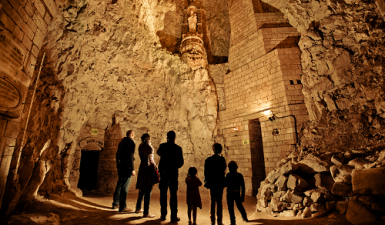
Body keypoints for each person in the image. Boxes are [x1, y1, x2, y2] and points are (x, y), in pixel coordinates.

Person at [157, 131, 184, 222]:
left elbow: (158, 153)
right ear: (175, 138)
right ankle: (173, 216)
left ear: (167, 137)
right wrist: (175, 166)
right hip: (173, 174)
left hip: (164, 173)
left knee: (163, 194)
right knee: (173, 195)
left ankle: (163, 215)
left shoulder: (163, 146)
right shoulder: (178, 148)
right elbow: (181, 163)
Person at [135, 133, 159, 218]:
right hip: (148, 170)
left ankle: (138, 208)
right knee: (148, 191)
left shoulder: (140, 146)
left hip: (142, 168)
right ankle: (146, 212)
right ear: (148, 139)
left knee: (142, 189)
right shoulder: (148, 148)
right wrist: (155, 166)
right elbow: (149, 159)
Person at [112, 130, 136, 212]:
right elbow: (130, 157)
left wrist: (118, 165)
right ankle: (123, 207)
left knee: (119, 185)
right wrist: (132, 169)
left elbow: (117, 154)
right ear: (132, 135)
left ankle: (115, 204)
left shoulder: (121, 142)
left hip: (121, 166)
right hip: (127, 167)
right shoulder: (131, 142)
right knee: (125, 187)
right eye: (134, 134)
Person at [204, 143, 226, 225]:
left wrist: (207, 181)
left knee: (212, 201)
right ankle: (219, 220)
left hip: (212, 182)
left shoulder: (208, 160)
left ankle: (212, 220)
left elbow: (206, 172)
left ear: (213, 149)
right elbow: (224, 169)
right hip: (220, 182)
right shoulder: (222, 159)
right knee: (219, 202)